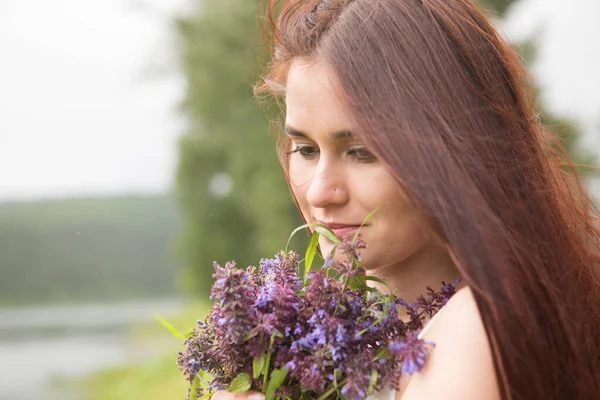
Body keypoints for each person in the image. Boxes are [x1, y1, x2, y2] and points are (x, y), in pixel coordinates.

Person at [212, 0, 600, 399]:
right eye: (306, 149)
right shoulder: (357, 340)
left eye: (362, 151)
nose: (319, 192)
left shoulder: (472, 333)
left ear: (456, 151)